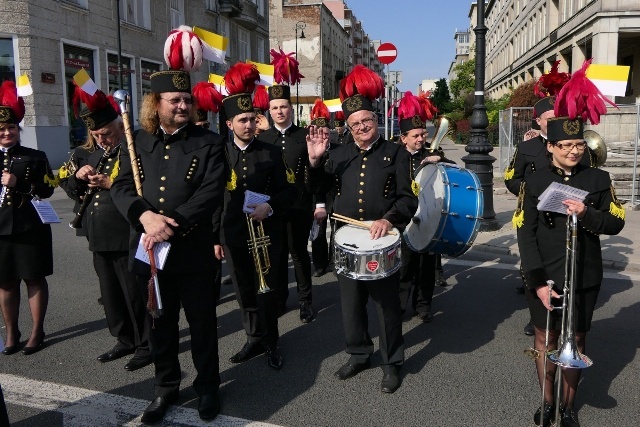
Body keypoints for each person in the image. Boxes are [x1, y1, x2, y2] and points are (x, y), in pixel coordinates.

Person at [111, 64, 226, 422]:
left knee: (203, 324)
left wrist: (169, 224)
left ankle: (207, 387)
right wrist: (144, 217)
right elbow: (121, 186)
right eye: (174, 100)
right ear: (154, 103)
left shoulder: (207, 142)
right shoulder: (137, 141)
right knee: (159, 324)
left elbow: (210, 192)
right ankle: (166, 387)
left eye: (186, 100)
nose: (182, 105)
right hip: (150, 253)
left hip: (192, 251)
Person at [516, 60, 624, 427]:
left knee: (576, 341)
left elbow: (616, 222)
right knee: (545, 339)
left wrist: (588, 214)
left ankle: (568, 406)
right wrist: (536, 281)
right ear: (550, 146)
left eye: (579, 144)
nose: (574, 151)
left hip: (585, 273)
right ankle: (547, 402)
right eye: (565, 145)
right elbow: (524, 231)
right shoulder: (534, 181)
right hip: (545, 272)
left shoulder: (599, 177)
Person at [307, 65, 417, 393]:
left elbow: (407, 199)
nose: (361, 127)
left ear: (376, 120)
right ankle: (358, 353)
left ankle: (392, 362)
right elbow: (317, 187)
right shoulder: (338, 153)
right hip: (346, 240)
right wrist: (314, 161)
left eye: (366, 121)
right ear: (349, 126)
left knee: (386, 305)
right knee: (350, 303)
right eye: (354, 124)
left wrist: (389, 218)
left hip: (380, 239)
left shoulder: (395, 152)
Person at [58, 85, 151, 370]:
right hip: (98, 234)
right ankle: (124, 339)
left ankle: (146, 344)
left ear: (119, 126)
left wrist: (110, 183)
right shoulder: (93, 154)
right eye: (97, 135)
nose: (102, 139)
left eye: (106, 133)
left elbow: (146, 187)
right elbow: (69, 187)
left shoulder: (135, 149)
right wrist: (78, 175)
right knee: (110, 292)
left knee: (134, 293)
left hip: (126, 232)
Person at [213, 62, 296, 371]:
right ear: (230, 122)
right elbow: (214, 200)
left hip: (267, 233)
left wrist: (270, 205)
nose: (248, 125)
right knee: (245, 289)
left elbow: (289, 192)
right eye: (242, 120)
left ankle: (271, 340)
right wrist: (216, 239)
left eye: (252, 119)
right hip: (234, 233)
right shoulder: (219, 153)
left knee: (268, 289)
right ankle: (253, 337)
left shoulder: (271, 152)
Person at [504, 61, 593, 337]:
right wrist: (533, 194)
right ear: (539, 120)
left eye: (558, 116)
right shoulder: (527, 146)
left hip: (568, 215)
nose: (554, 120)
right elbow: (511, 177)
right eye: (549, 117)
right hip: (536, 213)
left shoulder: (576, 146)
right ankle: (538, 313)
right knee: (534, 260)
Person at [257, 48, 315, 323]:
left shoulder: (304, 135)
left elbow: (315, 169)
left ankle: (305, 301)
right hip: (271, 208)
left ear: (292, 109)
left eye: (283, 107)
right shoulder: (263, 138)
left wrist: (318, 203)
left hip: (299, 206)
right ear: (269, 111)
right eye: (275, 108)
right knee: (277, 255)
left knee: (300, 254)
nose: (279, 111)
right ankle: (280, 299)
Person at [0, 80, 56, 356]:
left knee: (33, 278)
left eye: (11, 128)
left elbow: (47, 189)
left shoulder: (35, 156)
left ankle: (37, 331)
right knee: (5, 282)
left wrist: (18, 183)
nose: (7, 132)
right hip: (0, 231)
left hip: (29, 227)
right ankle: (11, 332)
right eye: (1, 129)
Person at [395, 92, 445, 323]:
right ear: (403, 138)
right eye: (415, 135)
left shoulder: (432, 154)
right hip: (404, 218)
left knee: (426, 265)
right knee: (404, 266)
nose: (420, 138)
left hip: (428, 217)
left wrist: (439, 161)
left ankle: (423, 305)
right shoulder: (395, 157)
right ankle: (400, 305)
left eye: (423, 134)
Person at [308, 99, 337, 278]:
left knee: (335, 232)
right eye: (320, 133)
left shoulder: (339, 150)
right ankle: (320, 264)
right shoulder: (308, 151)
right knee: (317, 234)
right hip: (316, 198)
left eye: (326, 133)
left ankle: (334, 262)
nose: (324, 137)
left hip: (334, 197)